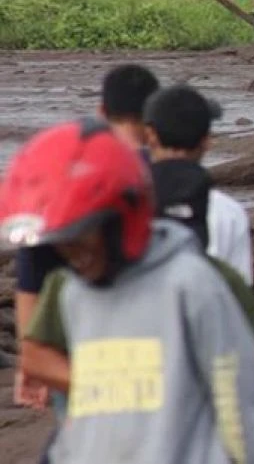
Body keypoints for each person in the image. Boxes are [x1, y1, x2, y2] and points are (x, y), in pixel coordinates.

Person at [2, 121, 254, 464]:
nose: (72, 256)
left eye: (80, 239)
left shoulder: (191, 283)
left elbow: (239, 405)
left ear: (121, 217)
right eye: (61, 246)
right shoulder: (74, 294)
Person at [12, 64, 159, 413]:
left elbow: (29, 283)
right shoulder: (155, 178)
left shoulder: (62, 183)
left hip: (76, 357)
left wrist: (31, 361)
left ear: (101, 112)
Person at [143, 85, 253, 284]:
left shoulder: (123, 204)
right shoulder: (229, 214)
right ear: (206, 141)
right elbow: (239, 297)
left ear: (150, 136)